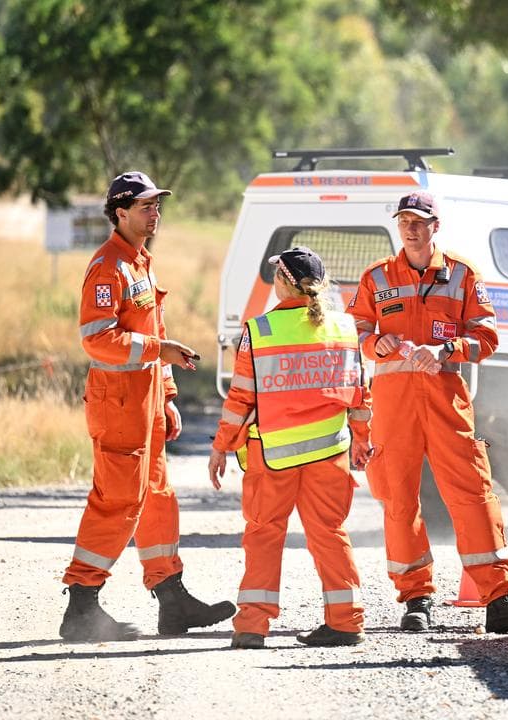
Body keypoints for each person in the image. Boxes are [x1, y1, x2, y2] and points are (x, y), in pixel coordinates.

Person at [349, 191, 508, 634]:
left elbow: (488, 337)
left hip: (446, 404)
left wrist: (446, 349)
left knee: (473, 494)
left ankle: (499, 599)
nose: (410, 228)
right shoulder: (376, 277)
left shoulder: (462, 275)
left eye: (419, 221)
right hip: (393, 407)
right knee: (398, 500)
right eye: (404, 220)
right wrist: (372, 343)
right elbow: (356, 331)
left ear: (435, 225)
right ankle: (416, 599)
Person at [61, 171, 234, 642]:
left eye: (157, 205)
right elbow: (98, 339)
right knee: (118, 501)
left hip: (148, 404)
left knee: (158, 499)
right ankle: (81, 605)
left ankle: (172, 600)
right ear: (120, 212)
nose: (154, 213)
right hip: (118, 405)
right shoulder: (108, 266)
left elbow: (150, 328)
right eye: (145, 206)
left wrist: (170, 397)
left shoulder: (141, 262)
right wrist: (161, 351)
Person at [207, 246, 374, 649]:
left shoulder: (261, 330)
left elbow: (240, 398)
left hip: (274, 455)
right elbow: (360, 396)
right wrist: (361, 442)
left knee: (264, 535)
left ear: (283, 281)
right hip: (329, 454)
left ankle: (251, 628)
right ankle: (346, 622)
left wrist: (221, 447)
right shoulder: (344, 328)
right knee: (330, 534)